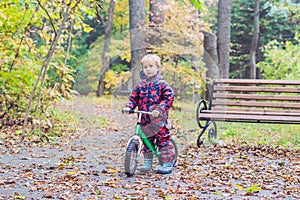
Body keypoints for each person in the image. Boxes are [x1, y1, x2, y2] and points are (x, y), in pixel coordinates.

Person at [122, 53, 175, 174]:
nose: (148, 69)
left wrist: (159, 109)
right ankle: (147, 161)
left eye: (151, 66)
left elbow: (169, 98)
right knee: (146, 140)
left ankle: (167, 163)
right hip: (144, 118)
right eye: (145, 67)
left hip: (158, 120)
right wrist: (128, 107)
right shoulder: (140, 85)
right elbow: (133, 98)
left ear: (158, 68)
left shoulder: (162, 84)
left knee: (163, 141)